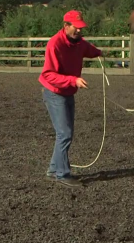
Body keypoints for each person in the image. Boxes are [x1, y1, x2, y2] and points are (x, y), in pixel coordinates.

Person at [39, 10, 103, 187]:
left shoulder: (78, 43)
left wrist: (99, 53)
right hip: (54, 92)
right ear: (66, 26)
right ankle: (62, 174)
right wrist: (73, 80)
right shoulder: (54, 44)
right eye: (76, 28)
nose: (80, 31)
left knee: (65, 133)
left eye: (81, 28)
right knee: (64, 133)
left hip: (68, 92)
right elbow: (48, 74)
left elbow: (88, 49)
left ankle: (53, 170)